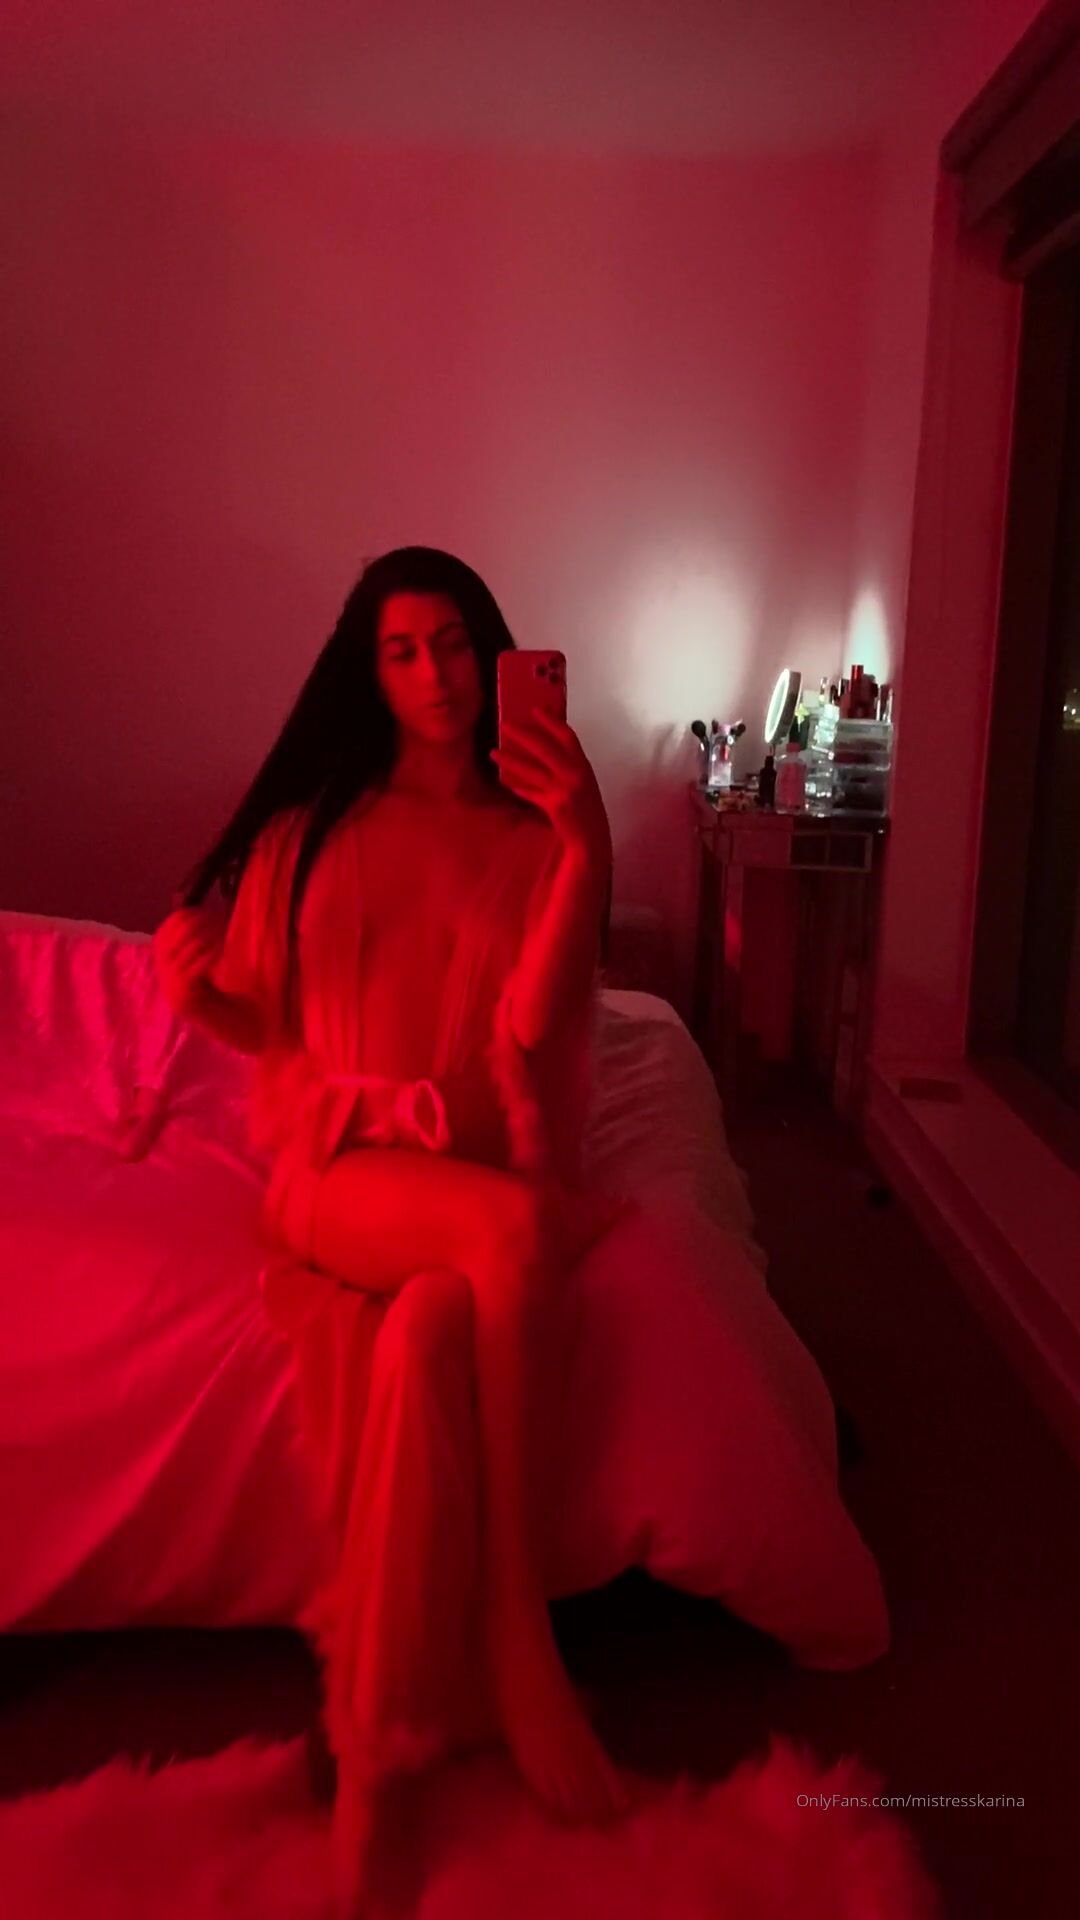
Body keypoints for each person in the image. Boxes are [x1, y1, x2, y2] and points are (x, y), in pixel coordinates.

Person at [152, 546, 635, 1915]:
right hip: (337, 1172)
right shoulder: (314, 831)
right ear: (367, 674)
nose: (435, 676)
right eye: (402, 651)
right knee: (516, 1240)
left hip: (459, 1182)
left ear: (495, 654)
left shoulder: (527, 838)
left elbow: (535, 1027)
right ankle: (519, 1629)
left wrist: (588, 847)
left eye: (455, 644)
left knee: (428, 1336)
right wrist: (198, 1005)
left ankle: (374, 1753)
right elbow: (267, 1028)